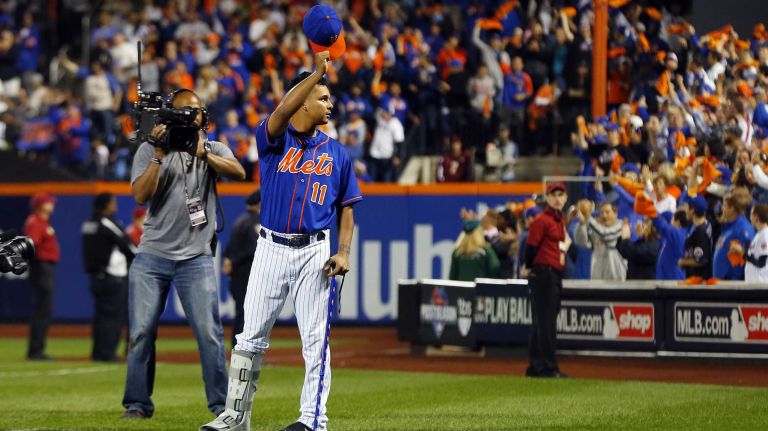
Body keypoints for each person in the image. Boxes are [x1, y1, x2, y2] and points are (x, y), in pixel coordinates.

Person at [201, 51, 362, 431]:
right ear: (302, 100)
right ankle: (236, 418)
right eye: (322, 97)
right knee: (249, 337)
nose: (330, 103)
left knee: (315, 343)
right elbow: (281, 110)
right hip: (270, 247)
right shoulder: (272, 139)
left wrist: (343, 251)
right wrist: (316, 74)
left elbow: (349, 207)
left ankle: (312, 421)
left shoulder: (338, 154)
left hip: (315, 252)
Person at [122, 88, 245, 419]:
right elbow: (139, 195)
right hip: (152, 256)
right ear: (168, 115)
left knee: (209, 333)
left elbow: (239, 173)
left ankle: (221, 406)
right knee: (141, 332)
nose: (189, 117)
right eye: (181, 112)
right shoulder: (150, 148)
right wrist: (159, 154)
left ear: (204, 116)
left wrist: (204, 154)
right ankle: (137, 404)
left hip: (196, 257)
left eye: (194, 112)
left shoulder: (213, 148)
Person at [81, 192, 136, 362]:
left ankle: (98, 352)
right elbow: (127, 246)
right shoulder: (107, 223)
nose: (115, 206)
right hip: (112, 276)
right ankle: (108, 353)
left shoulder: (88, 223)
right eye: (113, 202)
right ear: (106, 205)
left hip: (95, 276)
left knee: (100, 315)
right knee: (113, 316)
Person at [522, 182, 569, 378]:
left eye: (561, 195)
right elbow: (530, 247)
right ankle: (548, 367)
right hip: (544, 274)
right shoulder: (542, 220)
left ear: (565, 198)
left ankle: (535, 366)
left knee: (541, 322)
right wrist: (530, 266)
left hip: (552, 273)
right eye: (554, 195)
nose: (558, 198)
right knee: (546, 323)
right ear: (547, 198)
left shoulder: (558, 220)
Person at [222, 189, 261, 348]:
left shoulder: (240, 221)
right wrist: (233, 261)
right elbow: (254, 248)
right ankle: (242, 349)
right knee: (247, 314)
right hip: (246, 274)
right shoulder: (255, 222)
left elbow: (229, 249)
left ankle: (238, 347)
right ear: (259, 203)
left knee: (242, 313)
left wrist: (228, 261)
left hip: (237, 275)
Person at [23, 193, 60, 360]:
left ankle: (37, 349)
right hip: (42, 267)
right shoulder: (35, 221)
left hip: (45, 267)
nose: (52, 205)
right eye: (48, 202)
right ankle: (36, 350)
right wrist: (35, 267)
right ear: (40, 205)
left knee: (44, 309)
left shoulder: (42, 221)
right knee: (42, 310)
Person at [574, 201, 627, 280]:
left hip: (616, 275)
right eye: (601, 212)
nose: (604, 215)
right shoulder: (596, 227)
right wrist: (582, 224)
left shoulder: (622, 226)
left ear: (616, 214)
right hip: (597, 273)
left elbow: (605, 235)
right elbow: (581, 242)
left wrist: (588, 217)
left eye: (607, 212)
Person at [678, 195, 712, 280]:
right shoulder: (700, 224)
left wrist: (682, 262)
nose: (685, 210)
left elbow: (701, 260)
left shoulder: (700, 232)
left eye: (687, 207)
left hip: (698, 280)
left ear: (692, 210)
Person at [745, 204, 768, 282]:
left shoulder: (765, 235)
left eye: (751, 214)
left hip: (760, 284)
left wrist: (747, 256)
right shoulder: (758, 234)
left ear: (757, 217)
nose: (750, 217)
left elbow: (761, 263)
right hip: (754, 283)